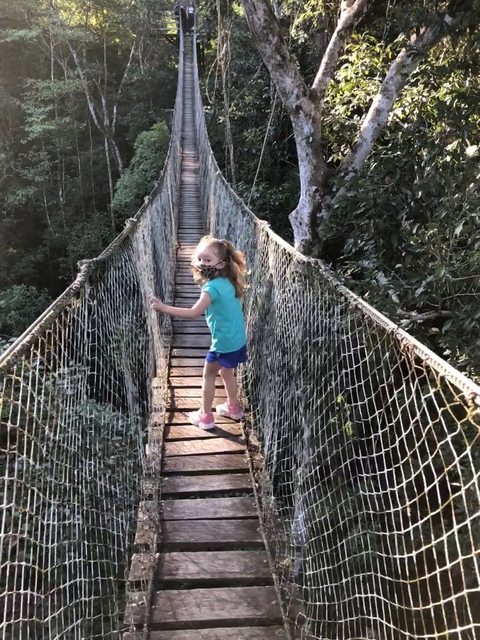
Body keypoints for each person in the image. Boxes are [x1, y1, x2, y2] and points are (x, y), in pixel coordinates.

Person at [151, 235, 247, 430]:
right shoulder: (229, 280)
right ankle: (233, 408)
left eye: (208, 260)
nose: (203, 263)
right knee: (226, 370)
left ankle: (205, 417)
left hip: (224, 343)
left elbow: (193, 312)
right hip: (238, 339)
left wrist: (164, 307)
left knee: (209, 375)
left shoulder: (211, 288)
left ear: (220, 264)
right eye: (200, 259)